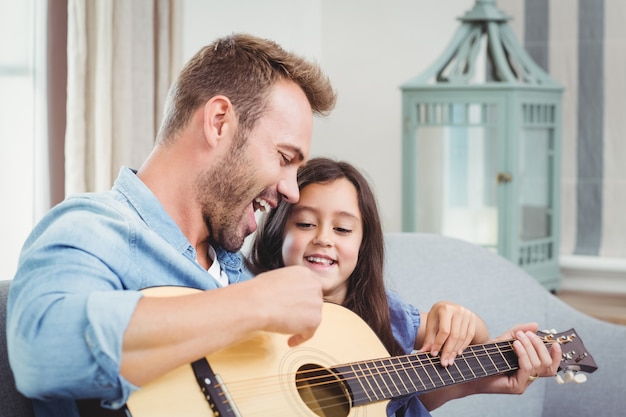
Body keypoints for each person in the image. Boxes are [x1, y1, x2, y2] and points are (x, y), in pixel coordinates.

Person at [7, 33, 337, 417]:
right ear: (218, 122)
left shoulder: (238, 268)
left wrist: (415, 333)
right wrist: (255, 303)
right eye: (284, 158)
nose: (292, 191)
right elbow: (43, 351)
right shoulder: (93, 227)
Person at [245, 157, 562, 416]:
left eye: (342, 229)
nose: (323, 238)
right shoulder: (250, 302)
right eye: (305, 224)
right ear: (277, 231)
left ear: (362, 245)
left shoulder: (386, 312)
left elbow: (470, 342)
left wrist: (464, 320)